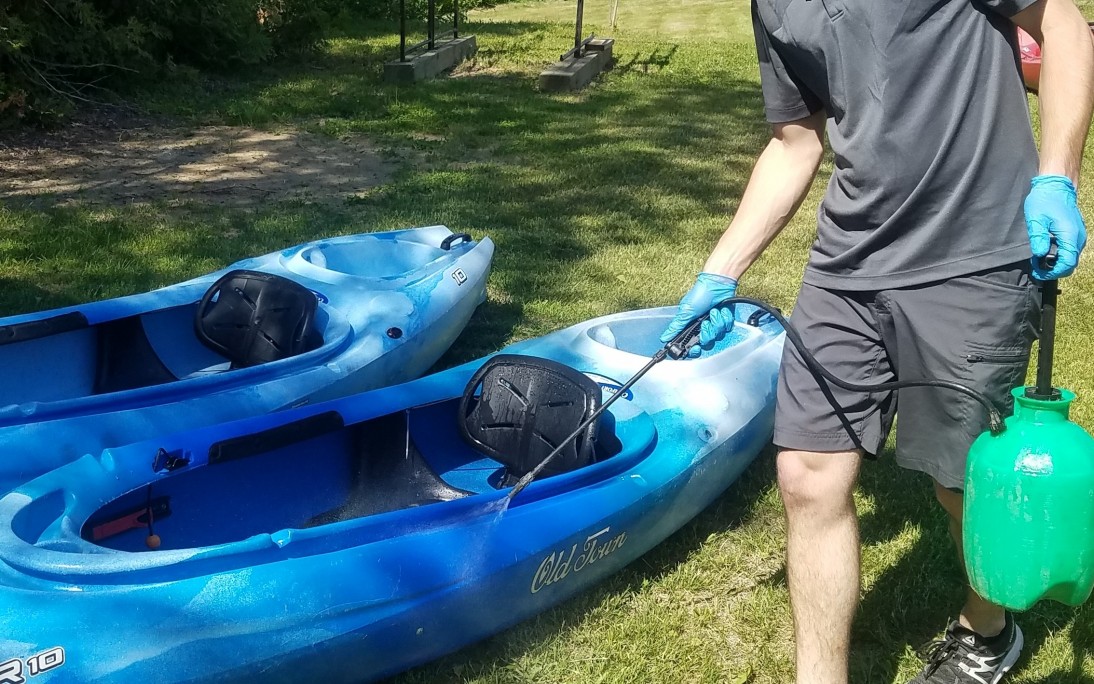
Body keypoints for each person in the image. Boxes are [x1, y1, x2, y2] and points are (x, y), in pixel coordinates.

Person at [660, 0, 1094, 682]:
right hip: (847, 264)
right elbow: (795, 142)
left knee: (966, 484)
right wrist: (719, 274)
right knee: (806, 475)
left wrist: (1056, 177)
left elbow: (1062, 25)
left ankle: (988, 629)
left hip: (972, 252)